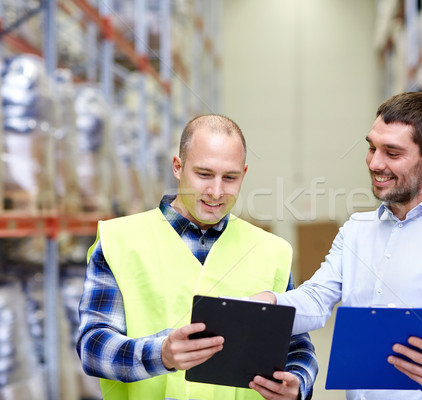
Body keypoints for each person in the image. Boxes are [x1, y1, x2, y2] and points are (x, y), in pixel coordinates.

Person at [253, 92, 422, 399]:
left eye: (392, 153)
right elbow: (316, 300)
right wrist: (268, 305)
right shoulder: (357, 230)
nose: (375, 163)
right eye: (372, 148)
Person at [77, 114, 318, 400]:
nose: (216, 191)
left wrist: (299, 382)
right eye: (204, 174)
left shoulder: (271, 251)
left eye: (230, 178)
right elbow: (92, 347)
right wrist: (162, 353)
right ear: (178, 167)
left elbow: (297, 345)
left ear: (244, 172)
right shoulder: (120, 241)